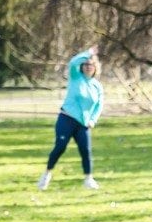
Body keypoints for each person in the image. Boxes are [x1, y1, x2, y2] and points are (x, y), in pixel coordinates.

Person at [37, 46, 104, 190]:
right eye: (85, 64)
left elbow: (99, 105)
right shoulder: (75, 77)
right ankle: (46, 174)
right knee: (60, 147)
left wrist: (93, 120)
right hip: (66, 118)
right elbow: (73, 62)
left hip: (83, 123)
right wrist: (88, 53)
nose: (88, 67)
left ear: (95, 67)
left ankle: (88, 179)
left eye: (90, 64)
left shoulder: (97, 86)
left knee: (86, 151)